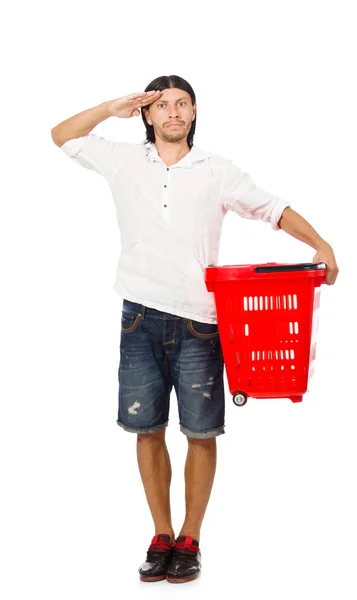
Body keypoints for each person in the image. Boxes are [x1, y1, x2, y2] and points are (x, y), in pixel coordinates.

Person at [51, 74, 339, 584]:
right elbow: (62, 135)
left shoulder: (216, 170)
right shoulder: (123, 161)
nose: (173, 113)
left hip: (201, 322)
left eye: (182, 104)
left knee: (201, 432)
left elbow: (273, 209)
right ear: (147, 114)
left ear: (194, 111)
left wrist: (321, 244)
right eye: (162, 105)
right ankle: (160, 535)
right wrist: (109, 107)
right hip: (139, 316)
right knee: (146, 430)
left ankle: (191, 538)